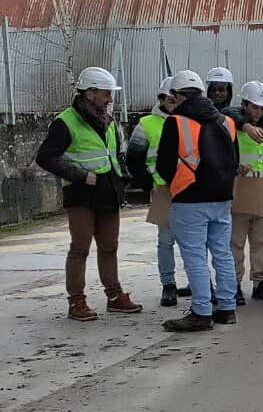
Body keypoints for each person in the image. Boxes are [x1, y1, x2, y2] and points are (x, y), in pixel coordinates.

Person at [35, 66, 143, 322]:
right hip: (81, 194)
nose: (110, 99)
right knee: (80, 248)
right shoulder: (65, 122)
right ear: (90, 93)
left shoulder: (109, 121)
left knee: (110, 246)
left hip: (109, 191)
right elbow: (45, 157)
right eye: (106, 93)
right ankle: (76, 301)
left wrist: (122, 178)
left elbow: (114, 155)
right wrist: (79, 174)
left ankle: (115, 296)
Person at [156, 70, 239, 331]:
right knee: (223, 253)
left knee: (195, 257)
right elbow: (234, 159)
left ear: (177, 95)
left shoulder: (176, 122)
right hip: (222, 197)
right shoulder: (226, 122)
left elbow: (164, 165)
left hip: (189, 198)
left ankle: (201, 311)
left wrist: (177, 184)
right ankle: (227, 308)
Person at [127, 77, 187, 307]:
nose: (172, 103)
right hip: (163, 190)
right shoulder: (147, 124)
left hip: (188, 188)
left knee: (193, 241)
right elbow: (134, 159)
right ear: (161, 99)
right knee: (165, 241)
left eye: (176, 98)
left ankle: (197, 282)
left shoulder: (189, 120)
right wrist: (149, 185)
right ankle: (168, 285)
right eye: (168, 99)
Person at [222, 81, 263, 305]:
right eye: (254, 106)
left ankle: (259, 282)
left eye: (262, 107)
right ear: (244, 105)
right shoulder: (232, 127)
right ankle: (234, 284)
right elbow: (224, 112)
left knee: (262, 243)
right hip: (242, 192)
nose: (259, 111)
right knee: (235, 242)